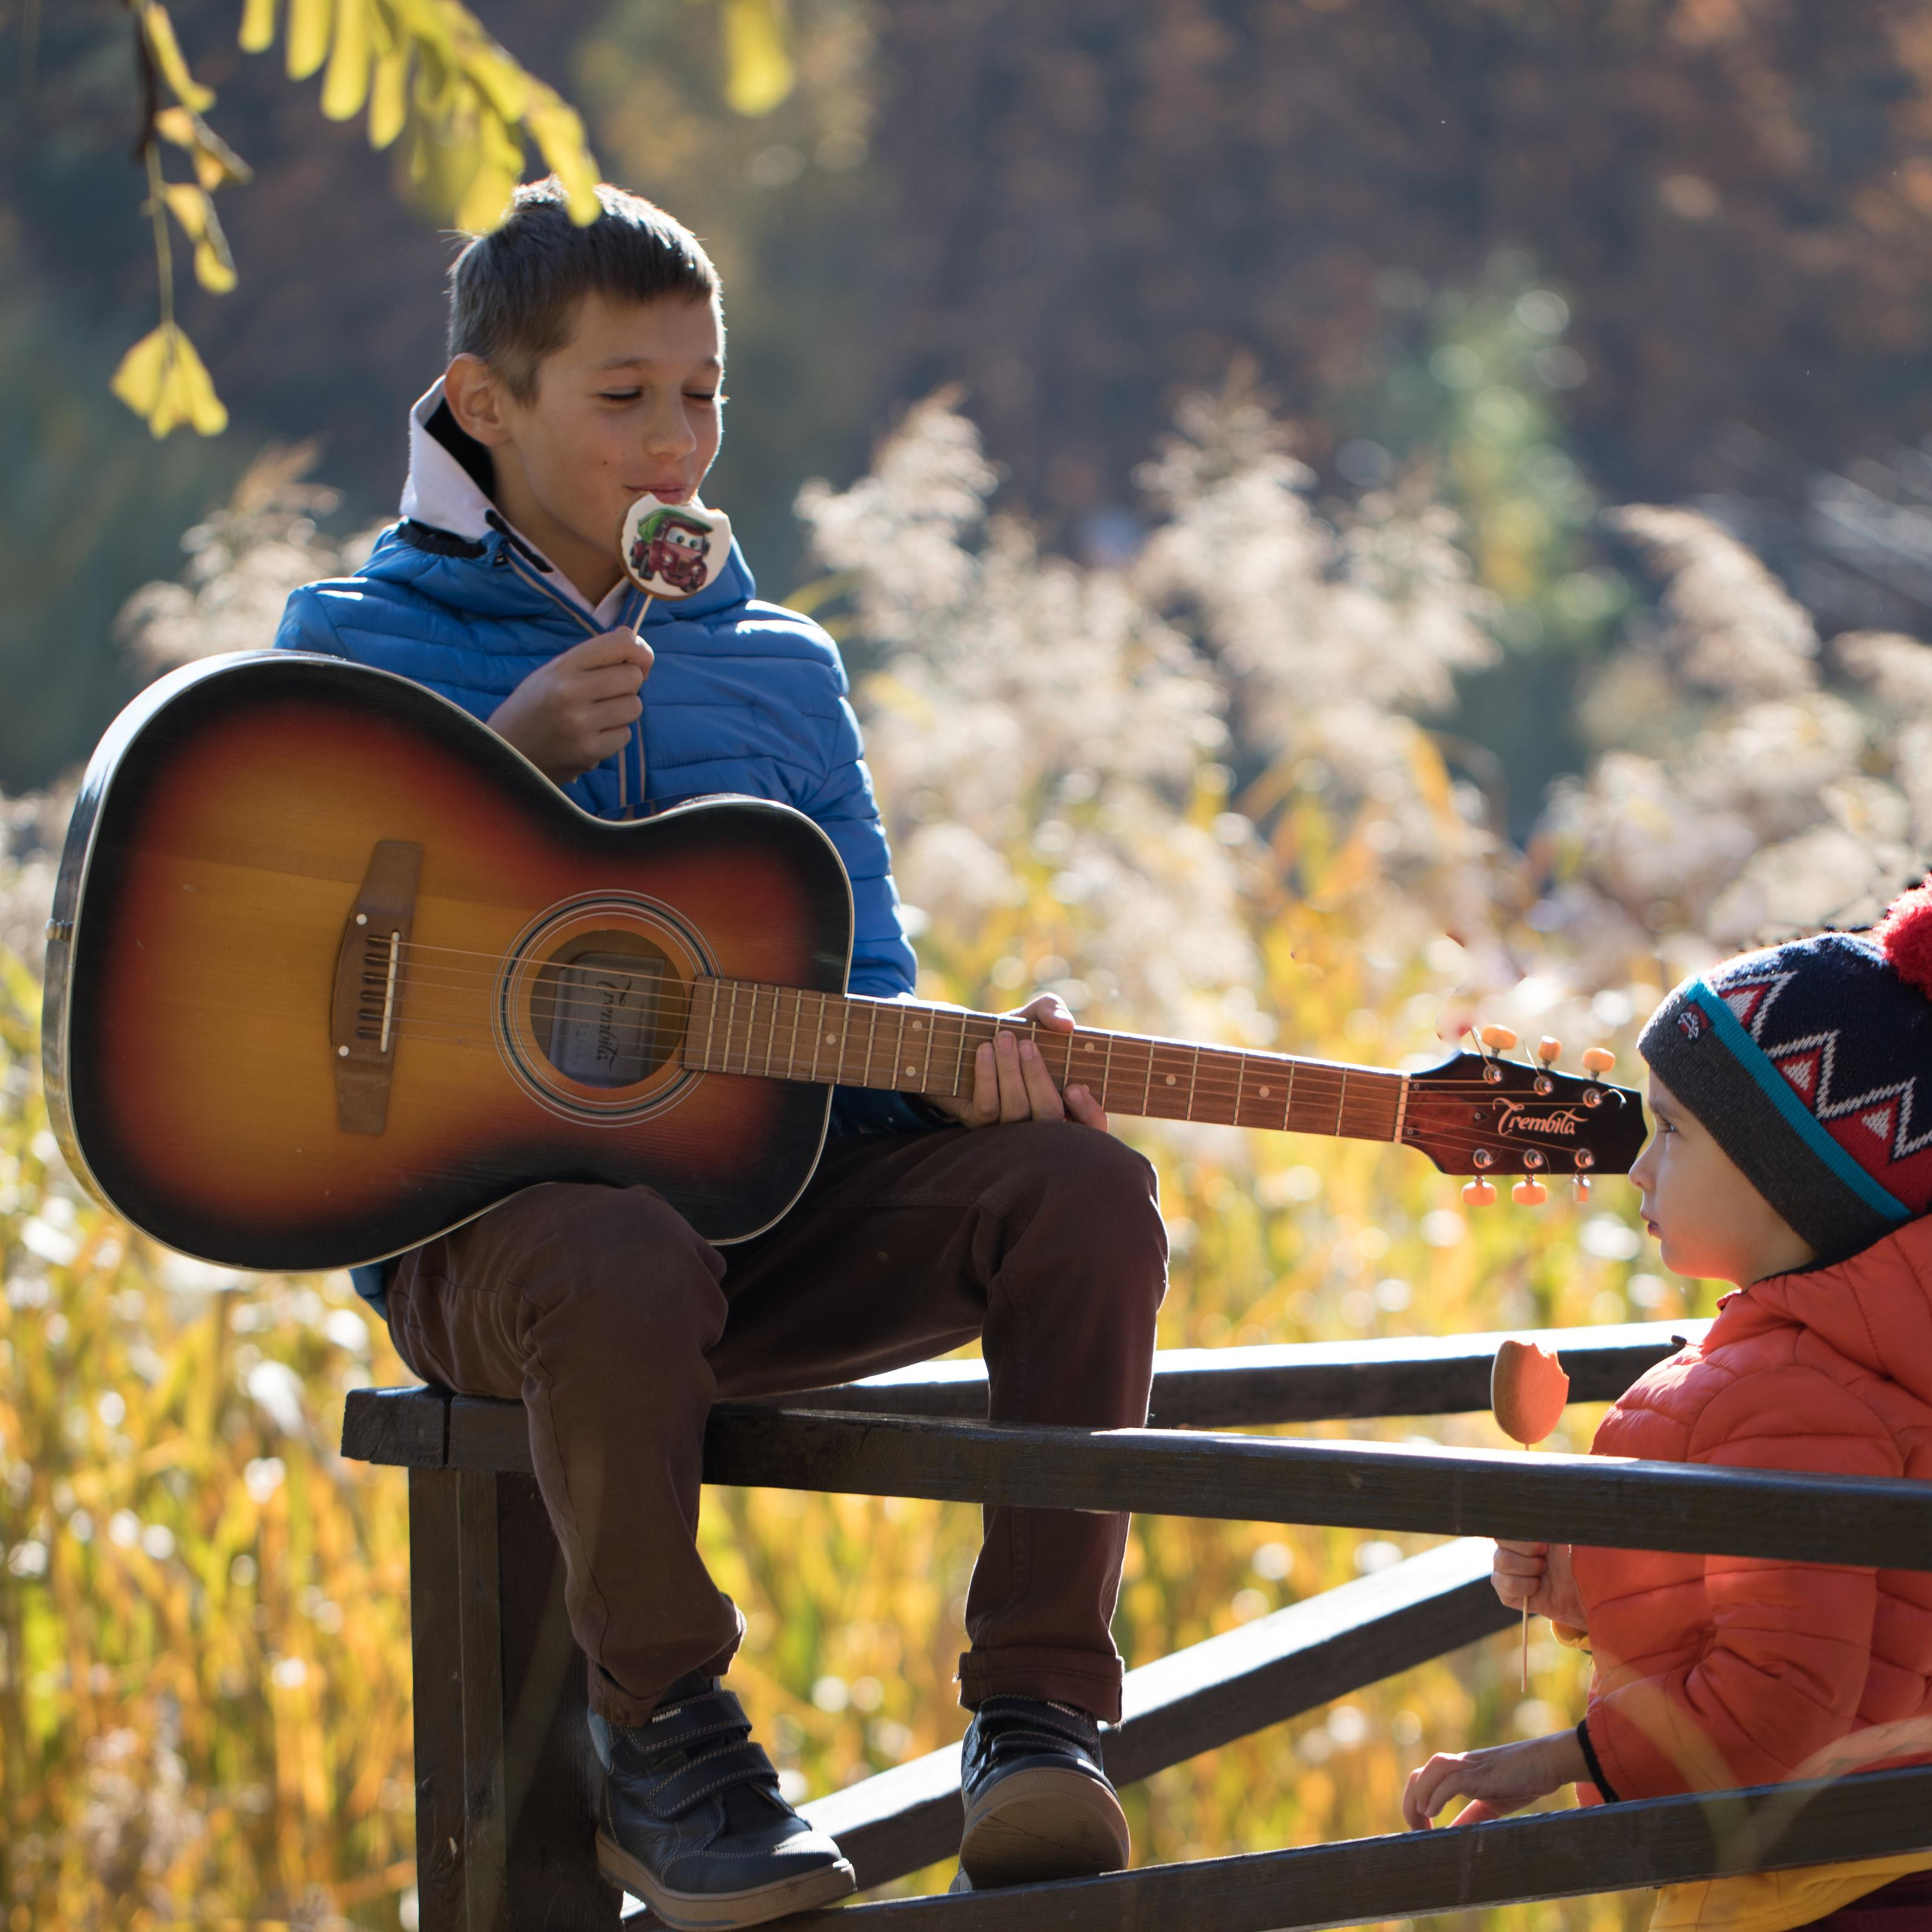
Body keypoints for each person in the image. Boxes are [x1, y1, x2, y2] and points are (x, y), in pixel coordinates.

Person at [274, 178, 1167, 1930]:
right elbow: (293, 978)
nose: (676, 440)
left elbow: (869, 982)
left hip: (760, 1219)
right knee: (611, 1247)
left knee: (1084, 1187)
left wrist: (953, 1060)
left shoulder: (779, 664)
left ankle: (1038, 1717)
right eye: (621, 396)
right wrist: (499, 760)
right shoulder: (351, 648)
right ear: (483, 406)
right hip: (508, 1254)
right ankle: (665, 1746)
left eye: (702, 393)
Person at [1403, 891, 1932, 1932]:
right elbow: (1812, 1615)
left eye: (1675, 1131)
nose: (1637, 1167)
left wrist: (1563, 1758)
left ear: (1797, 1181)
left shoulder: (1794, 1394)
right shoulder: (1830, 1369)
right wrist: (1594, 1575)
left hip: (1814, 1894)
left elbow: (1782, 1694)